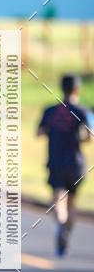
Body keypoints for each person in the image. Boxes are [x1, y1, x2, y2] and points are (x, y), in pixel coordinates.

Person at [37, 74, 93, 256]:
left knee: (57, 199)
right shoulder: (83, 111)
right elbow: (90, 136)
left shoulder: (50, 111)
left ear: (62, 88)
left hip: (56, 162)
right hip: (76, 164)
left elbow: (39, 132)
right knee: (72, 204)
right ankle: (66, 231)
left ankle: (61, 226)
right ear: (77, 89)